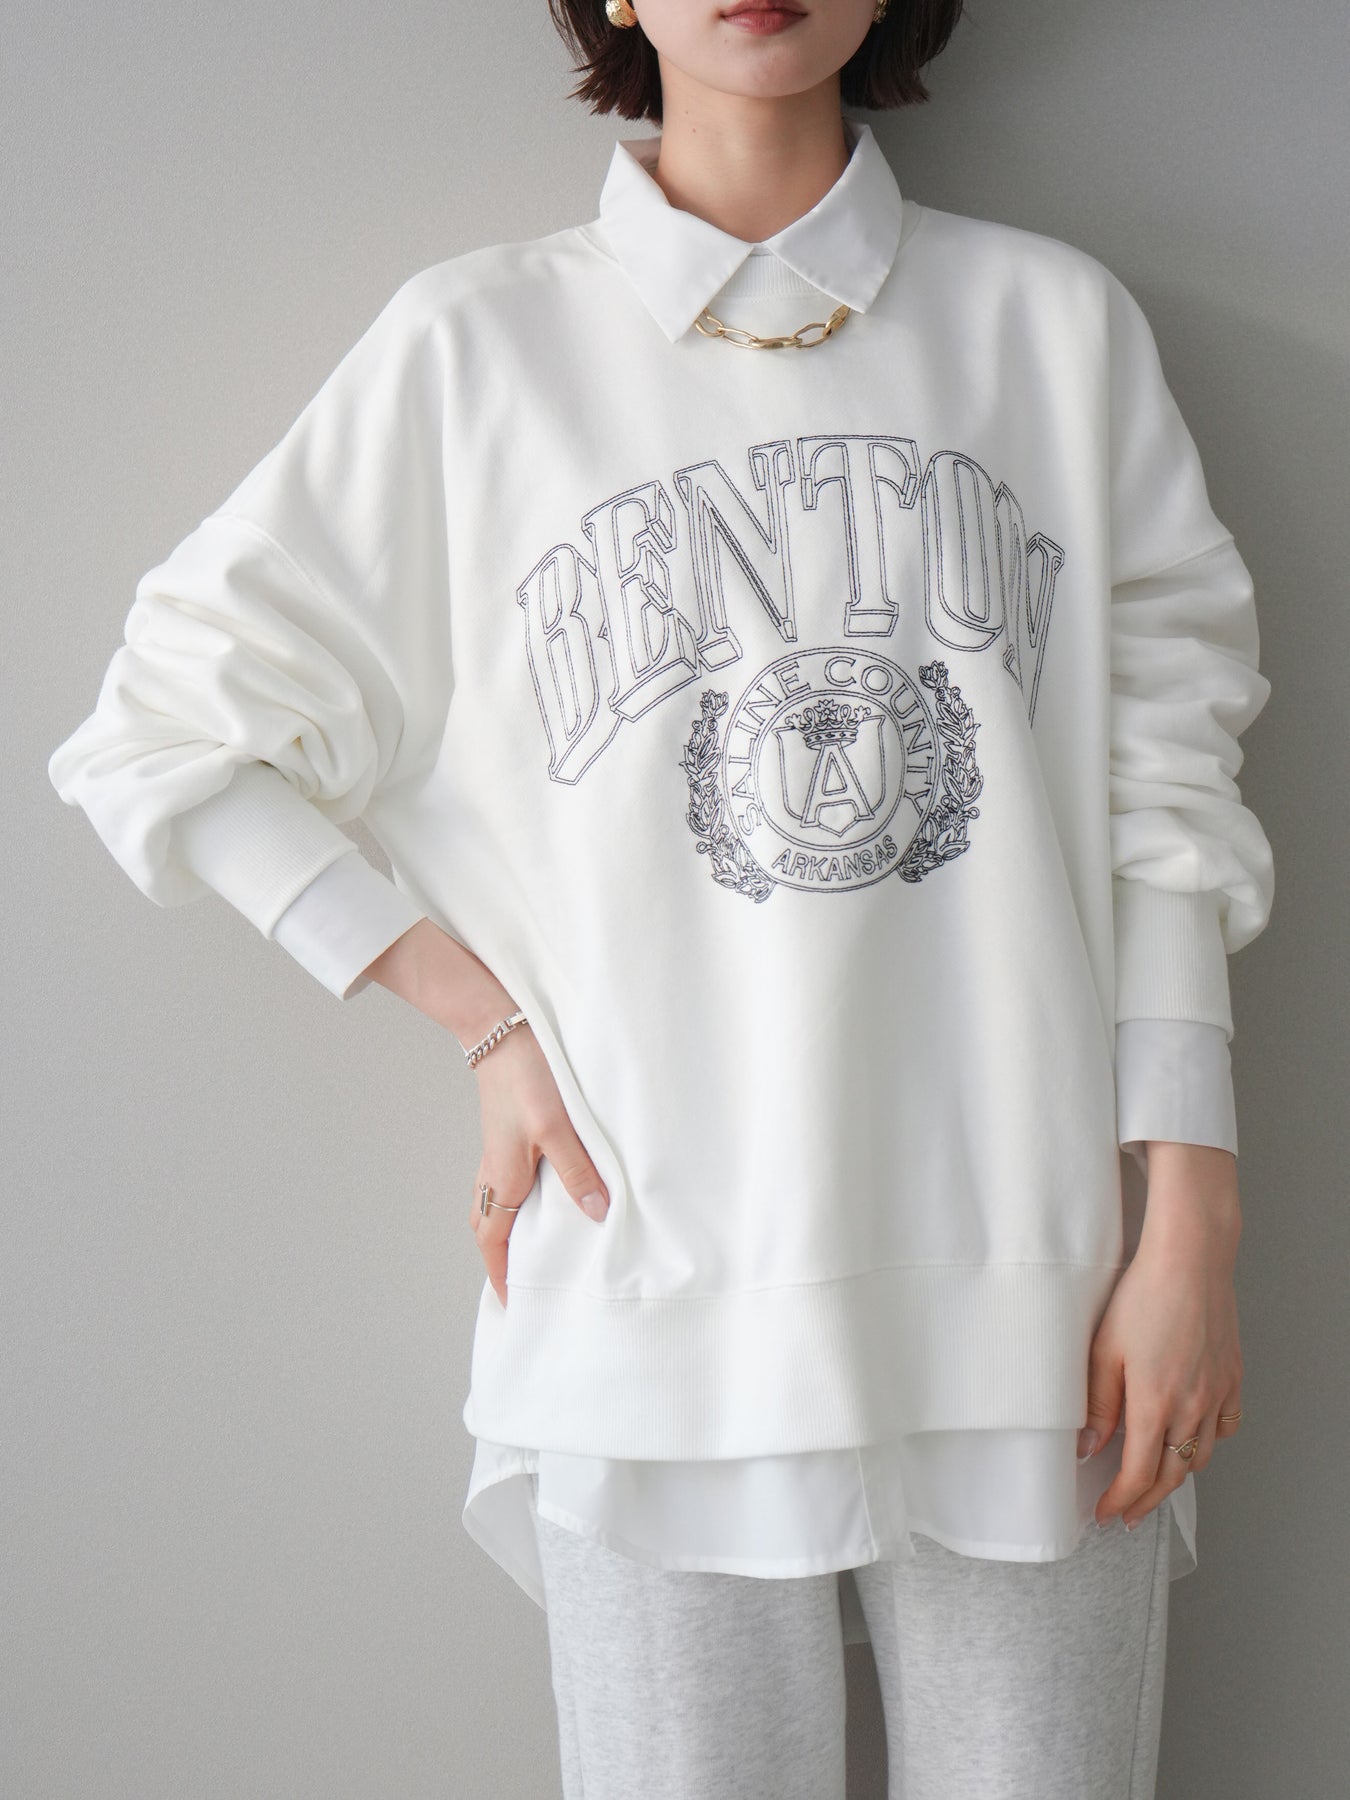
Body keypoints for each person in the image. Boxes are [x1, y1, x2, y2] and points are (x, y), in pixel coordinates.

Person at [47, 0, 1272, 1793]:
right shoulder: (473, 349)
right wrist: (482, 1021)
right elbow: (160, 734)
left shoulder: (1050, 326)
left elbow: (1163, 799)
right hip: (643, 1274)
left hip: (1045, 1298)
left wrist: (1191, 1232)